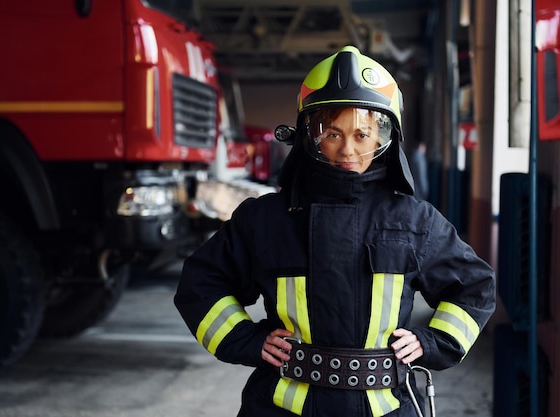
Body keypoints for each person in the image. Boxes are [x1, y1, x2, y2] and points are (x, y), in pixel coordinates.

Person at [174, 45, 495, 417]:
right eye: (332, 133)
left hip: (386, 407)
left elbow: (475, 286)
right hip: (280, 407)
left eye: (362, 134)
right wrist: (245, 339)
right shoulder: (265, 219)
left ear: (383, 139)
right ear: (309, 135)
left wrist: (433, 341)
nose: (347, 150)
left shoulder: (414, 221)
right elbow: (200, 283)